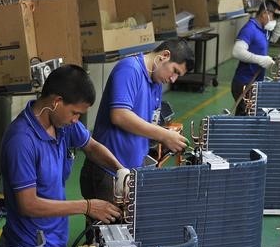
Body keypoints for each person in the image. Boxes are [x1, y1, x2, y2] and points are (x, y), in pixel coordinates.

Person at [0, 64, 124, 247]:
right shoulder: (21, 140)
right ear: (57, 101)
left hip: (56, 240)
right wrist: (87, 206)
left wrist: (121, 171)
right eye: (75, 113)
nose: (77, 120)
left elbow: (91, 147)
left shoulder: (63, 125)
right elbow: (28, 204)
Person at [80, 39, 195, 205]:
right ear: (164, 56)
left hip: (130, 173)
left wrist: (166, 136)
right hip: (108, 173)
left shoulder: (155, 82)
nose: (173, 79)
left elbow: (145, 123)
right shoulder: (129, 69)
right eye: (174, 71)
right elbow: (119, 115)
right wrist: (164, 135)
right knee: (107, 231)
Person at [231, 0, 280, 104]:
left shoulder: (263, 30)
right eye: (273, 17)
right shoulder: (250, 29)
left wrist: (279, 22)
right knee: (246, 117)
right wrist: (260, 59)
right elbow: (237, 52)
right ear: (265, 13)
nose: (273, 21)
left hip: (254, 83)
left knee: (246, 116)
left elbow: (274, 39)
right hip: (244, 83)